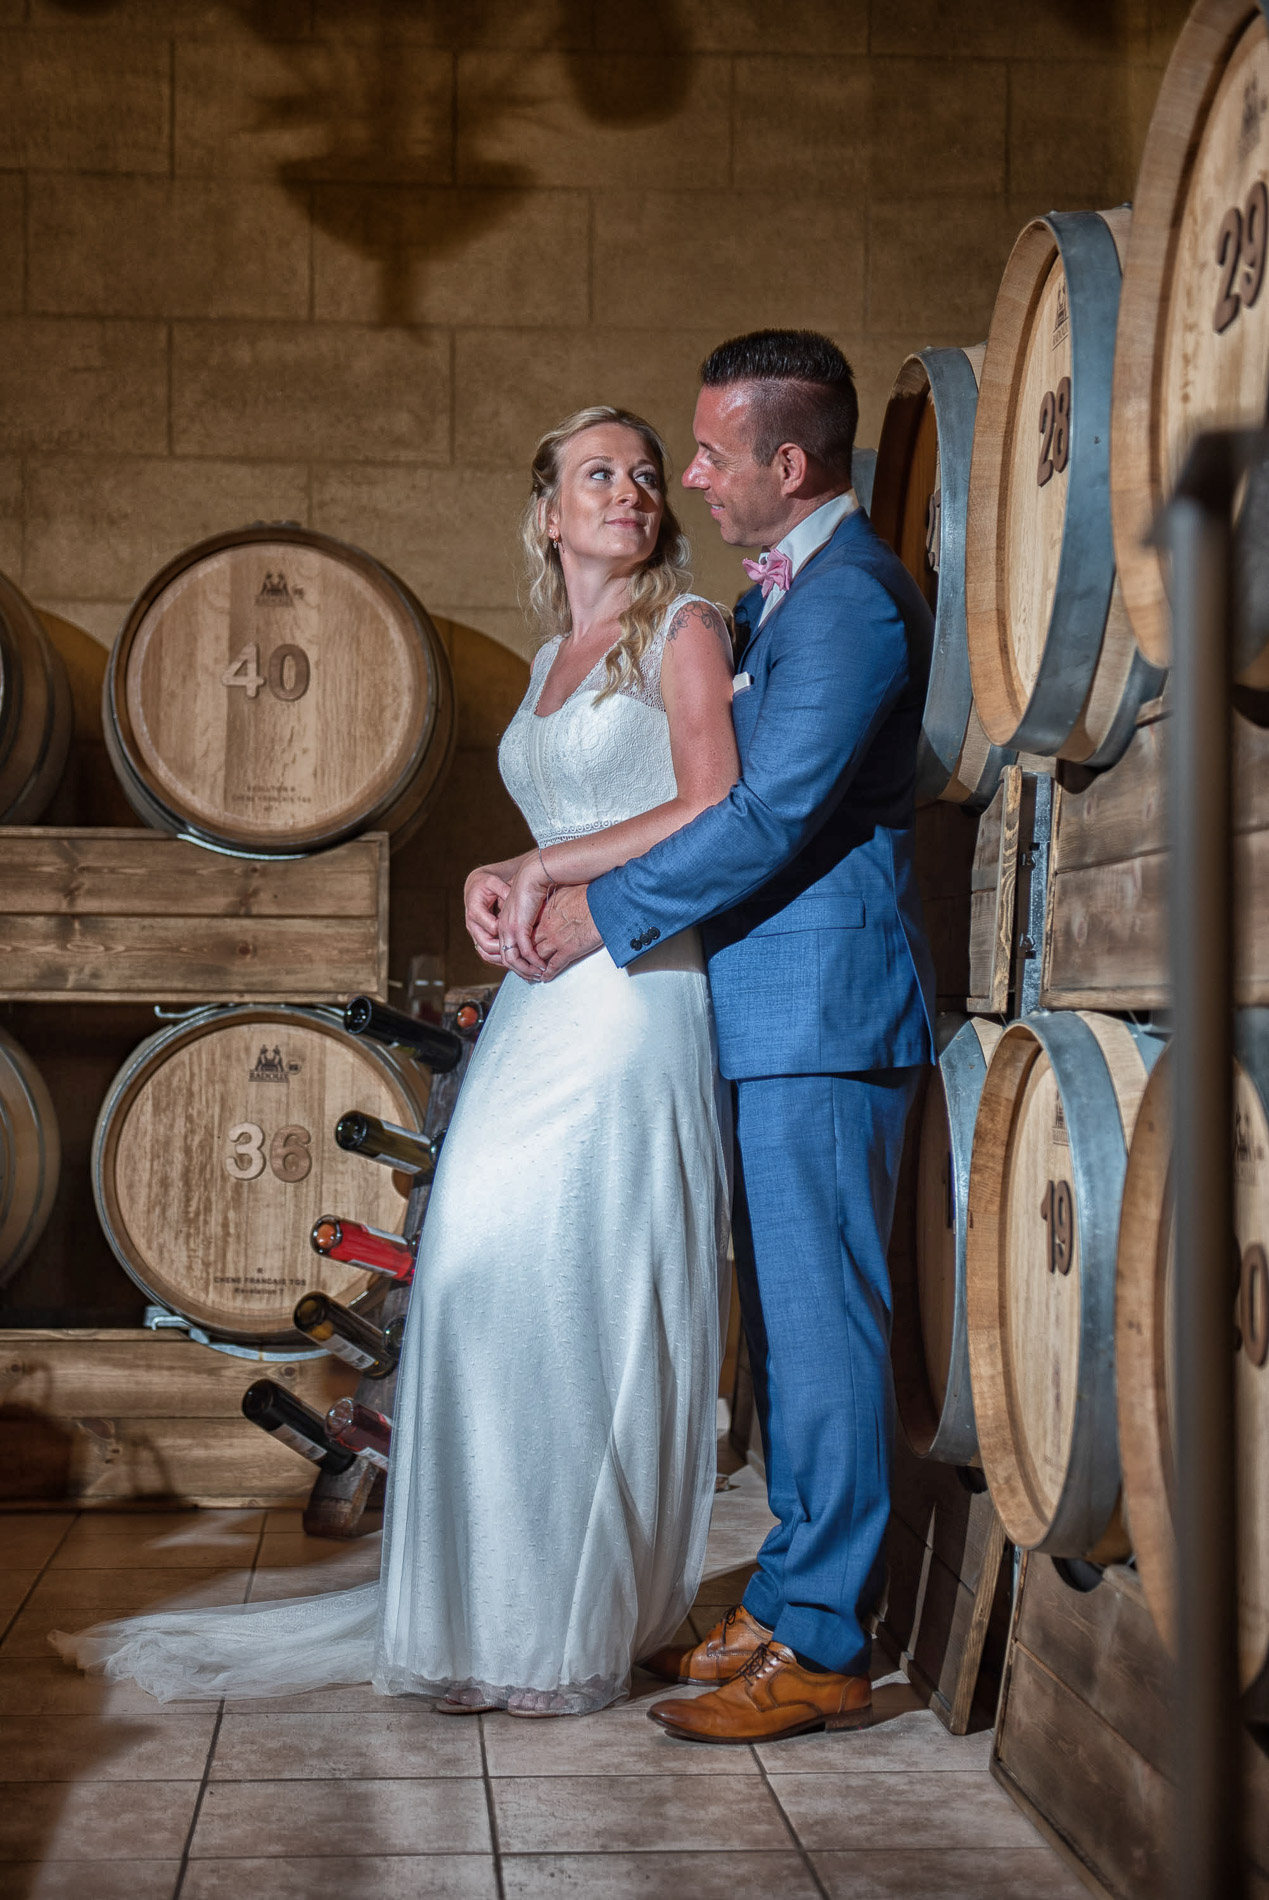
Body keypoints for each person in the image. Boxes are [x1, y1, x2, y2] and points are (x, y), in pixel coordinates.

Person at [51, 405, 738, 1717]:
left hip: (638, 989)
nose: (631, 491)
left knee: (586, 1292)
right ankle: (488, 1600)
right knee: (480, 1282)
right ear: (544, 510)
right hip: (544, 997)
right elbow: (572, 812)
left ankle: (575, 1620)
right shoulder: (551, 654)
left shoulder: (682, 632)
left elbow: (712, 804)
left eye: (645, 475)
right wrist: (503, 884)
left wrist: (537, 862)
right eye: (598, 473)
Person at [520, 330, 938, 1744]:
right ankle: (785, 1594)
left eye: (708, 454)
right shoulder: (788, 597)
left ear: (787, 462)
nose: (689, 476)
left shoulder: (851, 606)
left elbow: (765, 816)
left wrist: (599, 911)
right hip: (767, 1010)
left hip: (822, 1012)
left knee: (823, 1337)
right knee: (786, 1336)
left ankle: (820, 1647)